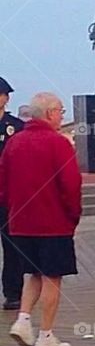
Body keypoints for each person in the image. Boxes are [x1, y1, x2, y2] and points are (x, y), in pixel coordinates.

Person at [0, 93, 81, 346]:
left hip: (21, 222)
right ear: (48, 114)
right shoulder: (58, 144)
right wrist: (73, 216)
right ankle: (46, 335)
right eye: (60, 111)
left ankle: (24, 320)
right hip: (53, 222)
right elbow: (71, 185)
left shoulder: (15, 142)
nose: (62, 115)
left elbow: (3, 181)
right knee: (52, 277)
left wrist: (13, 208)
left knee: (33, 273)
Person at [0, 76, 24, 309]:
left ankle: (13, 293)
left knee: (11, 246)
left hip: (7, 196)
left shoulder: (16, 127)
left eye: (2, 94)